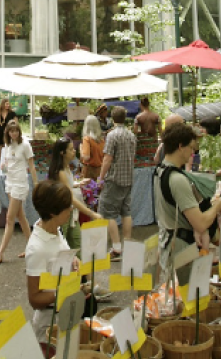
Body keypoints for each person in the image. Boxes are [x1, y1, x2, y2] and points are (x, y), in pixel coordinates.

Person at [153, 123, 221, 277]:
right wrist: (217, 206)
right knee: (190, 298)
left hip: (168, 243)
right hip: (181, 250)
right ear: (180, 146)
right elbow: (200, 223)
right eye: (191, 147)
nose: (193, 152)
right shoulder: (177, 180)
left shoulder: (159, 171)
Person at [25, 180, 94, 342]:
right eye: (66, 208)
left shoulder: (55, 230)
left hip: (67, 313)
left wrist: (73, 259)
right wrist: (64, 291)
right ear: (53, 213)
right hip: (50, 324)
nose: (71, 209)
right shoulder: (37, 249)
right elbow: (34, 299)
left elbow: (60, 253)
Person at [48, 137, 110, 301]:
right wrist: (91, 213)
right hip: (63, 217)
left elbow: (68, 186)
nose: (73, 151)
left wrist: (78, 183)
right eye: (70, 149)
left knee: (79, 249)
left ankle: (91, 284)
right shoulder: (60, 172)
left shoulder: (65, 169)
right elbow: (70, 198)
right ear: (62, 153)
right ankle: (60, 290)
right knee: (63, 253)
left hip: (70, 216)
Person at [0, 121, 38, 266]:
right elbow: (6, 164)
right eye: (11, 131)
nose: (14, 133)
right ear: (7, 133)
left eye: (16, 131)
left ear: (19, 131)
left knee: (9, 218)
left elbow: (31, 165)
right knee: (20, 216)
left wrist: (36, 184)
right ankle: (32, 248)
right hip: (9, 182)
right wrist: (4, 167)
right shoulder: (8, 145)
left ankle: (0, 253)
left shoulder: (25, 145)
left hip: (20, 183)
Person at [98, 106, 136, 261]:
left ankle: (117, 248)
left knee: (107, 212)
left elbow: (107, 158)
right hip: (128, 178)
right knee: (126, 212)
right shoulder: (131, 135)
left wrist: (101, 177)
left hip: (114, 178)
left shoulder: (112, 135)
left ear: (112, 118)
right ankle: (127, 245)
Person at [0, 98, 18, 168]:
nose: (8, 105)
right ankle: (0, 170)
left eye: (8, 104)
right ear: (2, 104)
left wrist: (9, 129)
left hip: (9, 137)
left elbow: (16, 125)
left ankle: (8, 169)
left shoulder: (12, 114)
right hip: (0, 137)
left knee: (8, 154)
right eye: (6, 104)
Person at [80, 115, 105, 180]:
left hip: (89, 171)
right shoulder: (102, 140)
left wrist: (80, 149)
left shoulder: (87, 139)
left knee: (88, 189)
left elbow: (86, 157)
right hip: (100, 171)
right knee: (98, 188)